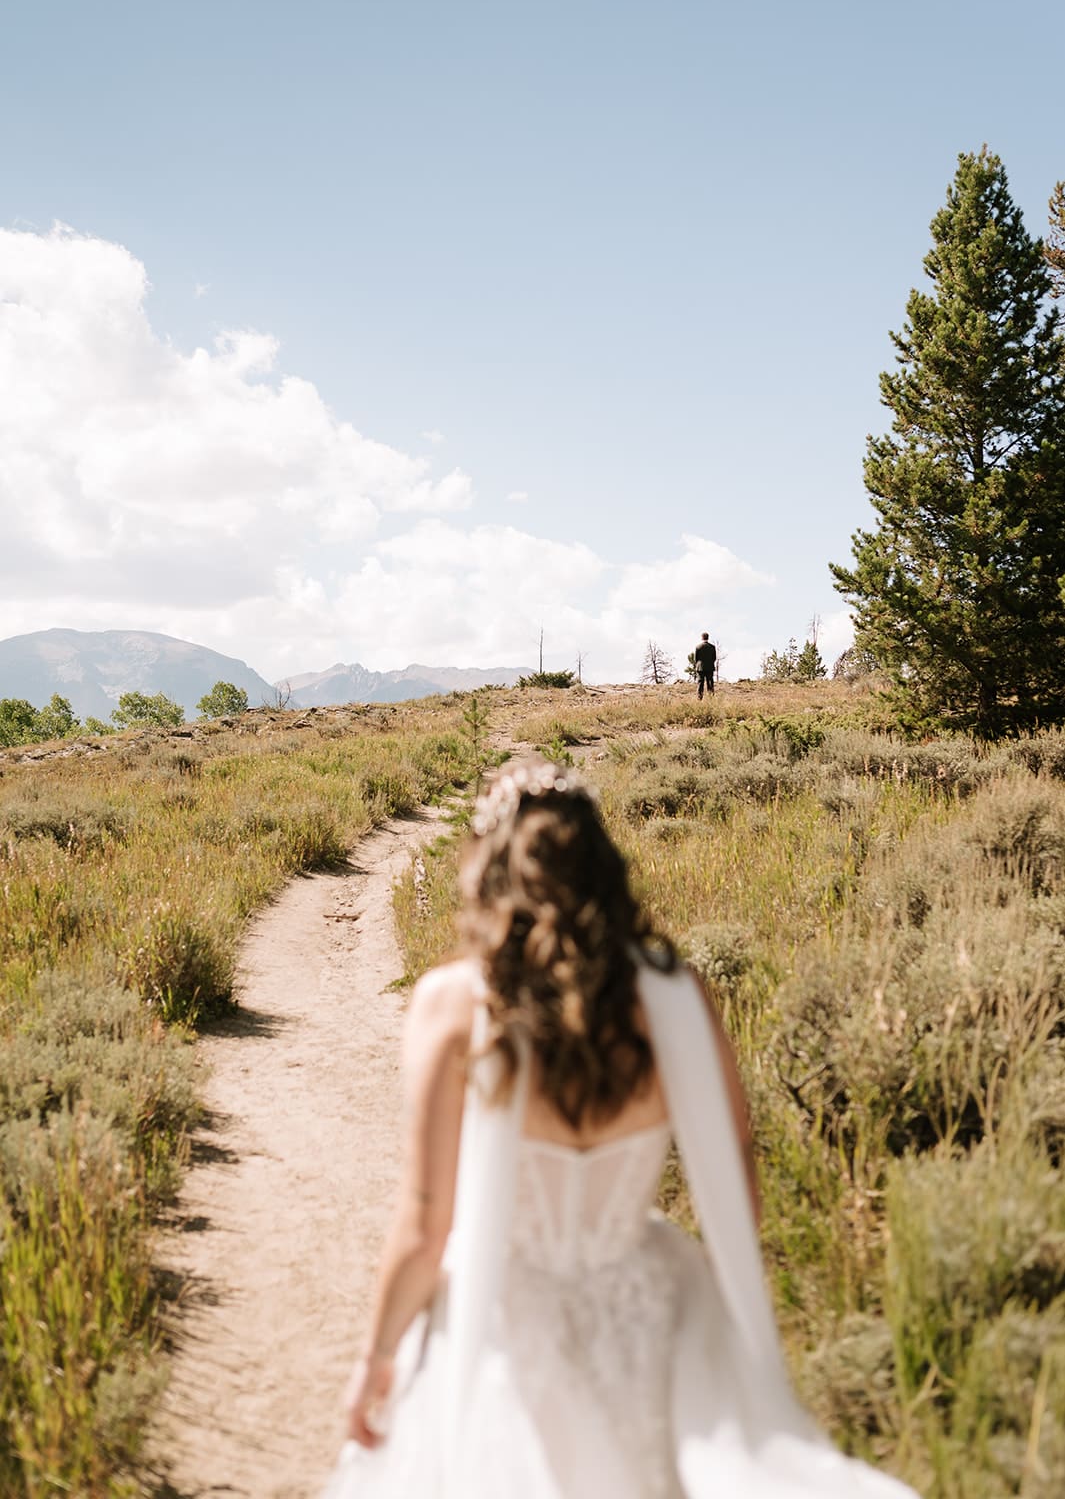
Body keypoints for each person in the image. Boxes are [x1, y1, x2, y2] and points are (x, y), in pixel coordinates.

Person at [324, 760, 918, 1499]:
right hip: (652, 1307)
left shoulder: (452, 1005)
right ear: (605, 867)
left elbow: (424, 1225)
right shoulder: (674, 994)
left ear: (490, 867)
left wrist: (376, 1359)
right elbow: (734, 1164)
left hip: (502, 1314)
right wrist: (725, 1308)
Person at [692, 634, 716, 698]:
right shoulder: (712, 647)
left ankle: (699, 697)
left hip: (700, 667)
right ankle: (711, 697)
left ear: (702, 638)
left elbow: (696, 658)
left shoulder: (698, 647)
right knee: (710, 683)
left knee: (700, 683)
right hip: (710, 667)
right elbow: (714, 658)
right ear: (708, 637)